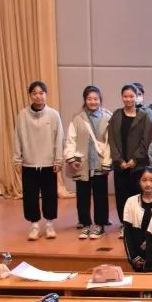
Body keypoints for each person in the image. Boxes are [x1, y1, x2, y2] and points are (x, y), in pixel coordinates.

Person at [14, 81, 64, 241]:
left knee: (50, 195)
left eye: (41, 93)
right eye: (34, 93)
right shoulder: (23, 115)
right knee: (30, 195)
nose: (38, 96)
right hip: (29, 162)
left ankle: (49, 224)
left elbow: (59, 138)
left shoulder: (53, 114)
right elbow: (17, 137)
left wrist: (58, 160)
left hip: (49, 163)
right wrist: (17, 159)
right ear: (30, 95)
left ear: (46, 94)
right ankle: (34, 225)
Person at [65, 85, 111, 239]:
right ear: (85, 100)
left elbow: (110, 142)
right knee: (82, 196)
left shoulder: (107, 118)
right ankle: (85, 224)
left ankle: (100, 225)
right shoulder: (77, 119)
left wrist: (107, 161)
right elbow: (71, 140)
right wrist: (71, 158)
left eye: (95, 99)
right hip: (82, 163)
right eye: (89, 99)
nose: (93, 102)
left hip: (99, 163)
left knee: (101, 196)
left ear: (100, 100)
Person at [107, 84, 152, 237]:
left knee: (137, 195)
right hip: (120, 165)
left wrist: (135, 159)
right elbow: (111, 139)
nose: (128, 99)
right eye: (125, 96)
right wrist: (119, 159)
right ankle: (124, 225)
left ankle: (138, 225)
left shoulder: (144, 116)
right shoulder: (116, 115)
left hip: (137, 166)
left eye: (131, 96)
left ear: (136, 97)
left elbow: (146, 140)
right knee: (121, 196)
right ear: (122, 97)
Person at [121, 166, 152, 270]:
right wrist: (134, 257)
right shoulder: (131, 202)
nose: (148, 184)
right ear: (139, 182)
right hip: (139, 254)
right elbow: (127, 232)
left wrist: (151, 242)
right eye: (144, 180)